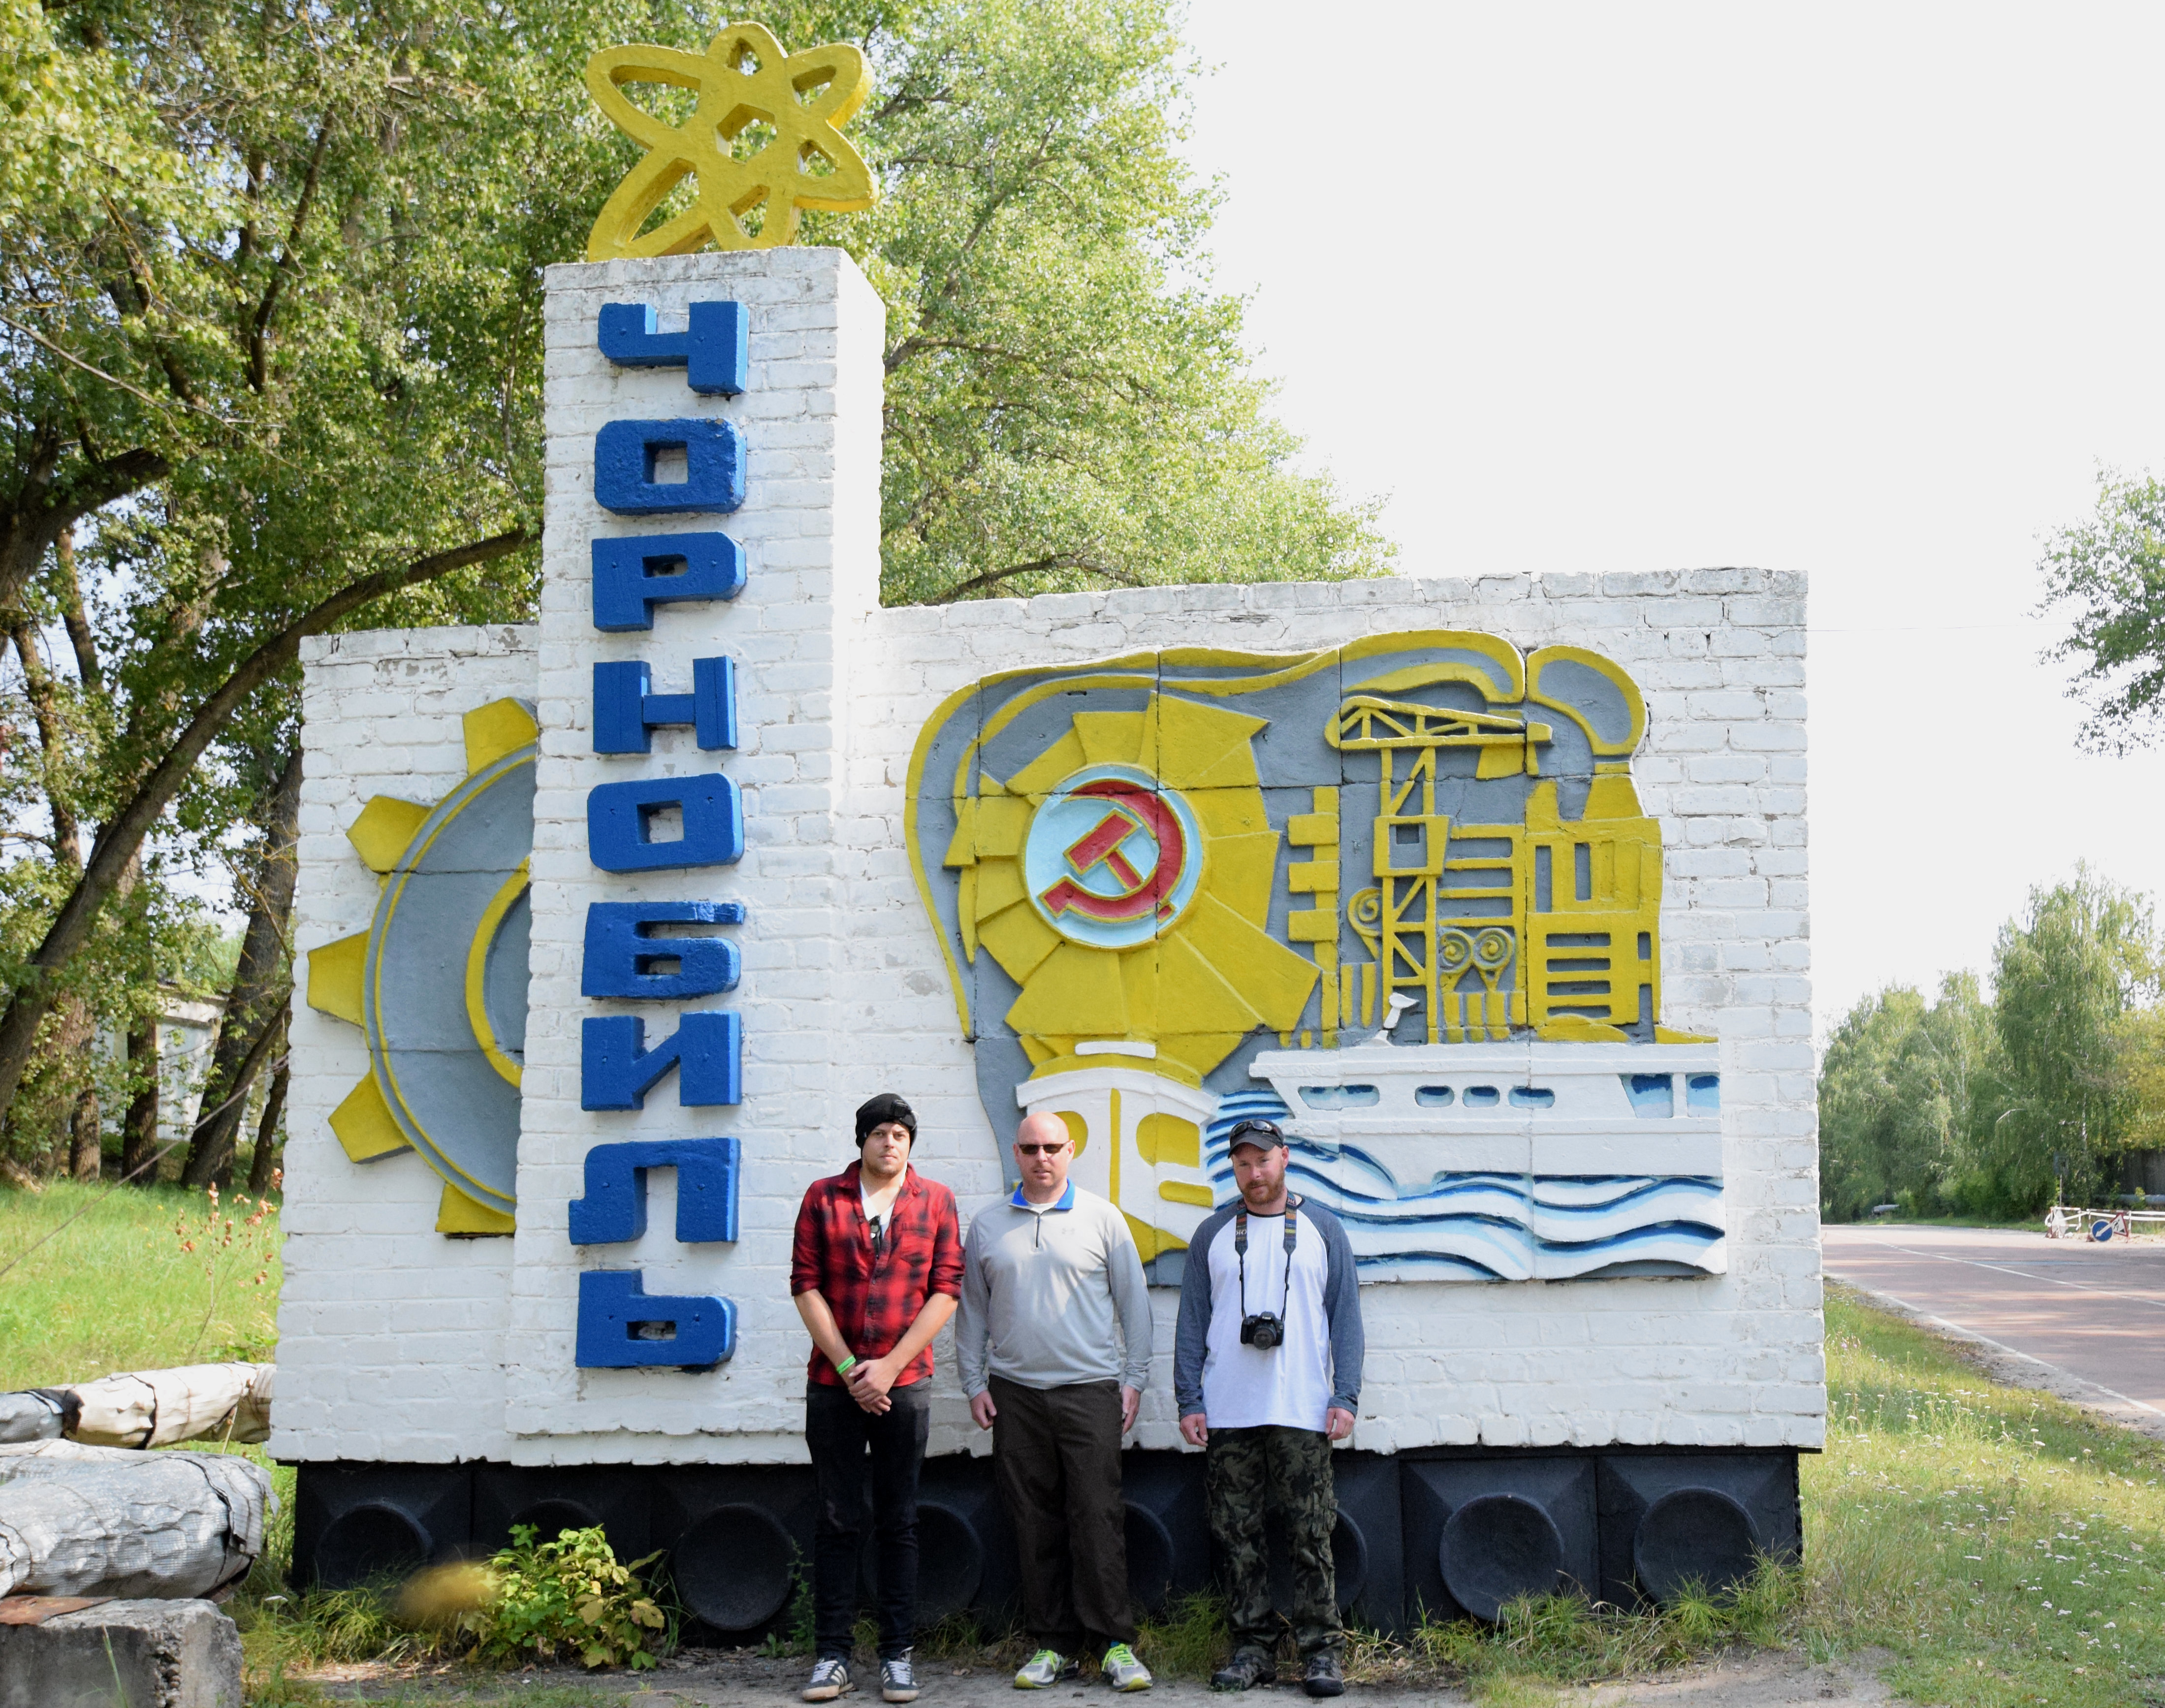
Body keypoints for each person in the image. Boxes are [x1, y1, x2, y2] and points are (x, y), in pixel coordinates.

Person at [958, 1110, 1155, 1693]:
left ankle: (1114, 1643)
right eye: (1030, 1148)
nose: (1041, 1157)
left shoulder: (1102, 1217)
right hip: (1015, 1394)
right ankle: (1054, 1643)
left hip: (1089, 1389)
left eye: (1051, 1147)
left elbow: (1135, 1303)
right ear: (1016, 1154)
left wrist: (1135, 1379)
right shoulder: (989, 1224)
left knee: (1097, 1516)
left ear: (1070, 1150)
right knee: (1032, 1519)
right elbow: (971, 1309)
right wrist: (973, 1382)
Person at [1173, 1118, 1364, 1697]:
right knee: (1238, 1535)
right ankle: (1252, 1648)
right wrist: (1189, 1398)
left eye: (1263, 1160)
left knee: (1311, 1532)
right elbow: (1192, 1319)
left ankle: (1321, 1651)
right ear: (1233, 1167)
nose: (1254, 1172)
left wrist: (1346, 1394)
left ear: (1284, 1158)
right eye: (1243, 1163)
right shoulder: (1212, 1233)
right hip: (1229, 1409)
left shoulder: (1322, 1227)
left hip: (1302, 1407)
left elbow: (1346, 1317)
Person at [791, 1093, 964, 1704]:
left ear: (910, 1143)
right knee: (837, 1518)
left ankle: (897, 1654)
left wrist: (888, 1368)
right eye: (880, 1133)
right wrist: (848, 1367)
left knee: (900, 1518)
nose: (890, 1142)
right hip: (832, 1383)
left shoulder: (936, 1200)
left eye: (900, 1134)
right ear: (861, 1139)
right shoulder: (824, 1197)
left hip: (905, 1385)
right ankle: (832, 1655)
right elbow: (805, 1285)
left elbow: (946, 1289)